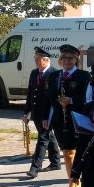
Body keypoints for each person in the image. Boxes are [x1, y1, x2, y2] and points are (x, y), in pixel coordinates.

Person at [43, 44, 91, 187]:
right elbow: (47, 98)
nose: (67, 60)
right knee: (67, 153)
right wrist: (45, 117)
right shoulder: (54, 76)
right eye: (64, 57)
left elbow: (89, 98)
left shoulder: (84, 76)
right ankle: (75, 184)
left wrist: (71, 100)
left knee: (76, 153)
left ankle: (74, 184)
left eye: (70, 58)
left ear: (76, 60)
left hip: (77, 119)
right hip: (59, 120)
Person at [23, 47, 61, 178]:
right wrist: (26, 112)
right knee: (48, 136)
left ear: (46, 60)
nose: (36, 62)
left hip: (48, 113)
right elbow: (30, 93)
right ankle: (55, 162)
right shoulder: (34, 73)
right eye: (35, 59)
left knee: (43, 138)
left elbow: (54, 96)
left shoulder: (54, 73)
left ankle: (35, 167)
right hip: (36, 112)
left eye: (38, 60)